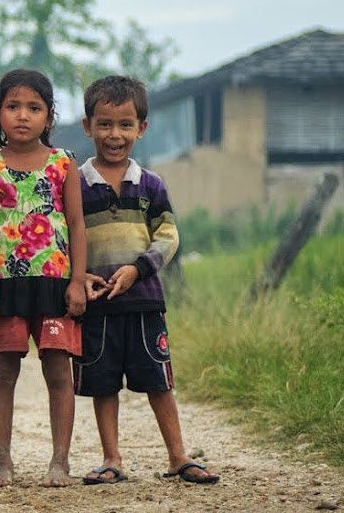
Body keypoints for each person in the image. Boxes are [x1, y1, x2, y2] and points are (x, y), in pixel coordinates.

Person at [75, 76, 220, 486]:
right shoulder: (75, 183)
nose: (114, 135)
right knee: (104, 385)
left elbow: (169, 235)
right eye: (104, 124)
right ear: (88, 126)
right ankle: (111, 458)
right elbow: (64, 236)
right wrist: (79, 275)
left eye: (125, 124)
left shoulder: (151, 184)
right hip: (97, 303)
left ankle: (178, 455)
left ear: (142, 128)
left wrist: (139, 268)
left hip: (145, 302)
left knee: (158, 380)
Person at [0, 69, 88, 487]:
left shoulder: (64, 164)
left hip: (55, 283)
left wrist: (77, 281)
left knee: (58, 369)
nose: (23, 116)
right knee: (4, 372)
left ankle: (61, 459)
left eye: (34, 108)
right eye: (13, 106)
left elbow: (75, 224)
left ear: (49, 116)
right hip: (5, 284)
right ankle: (3, 461)